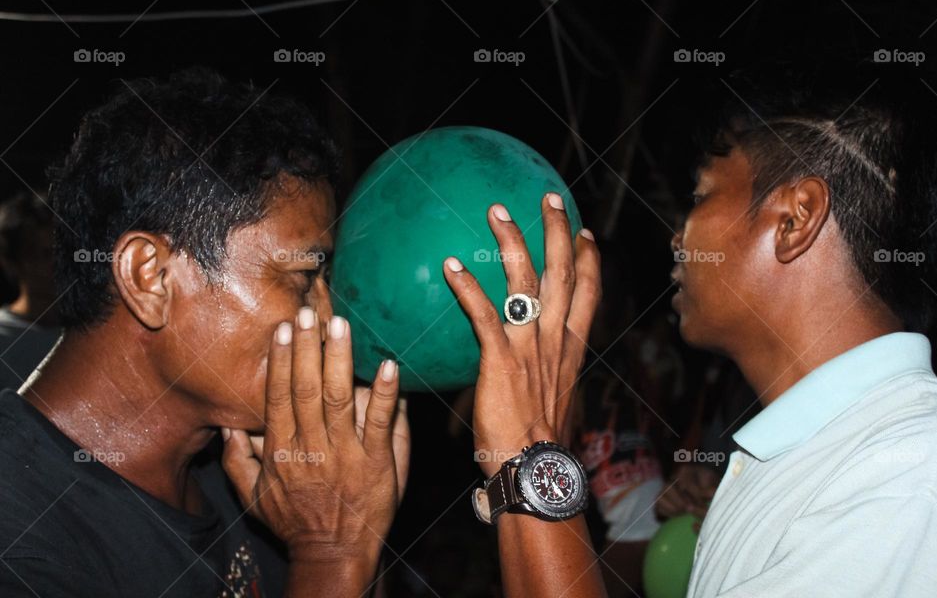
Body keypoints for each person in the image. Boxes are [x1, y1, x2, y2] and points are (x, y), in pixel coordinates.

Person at [0, 67, 606, 598]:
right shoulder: (23, 539)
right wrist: (331, 551)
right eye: (303, 277)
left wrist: (352, 535)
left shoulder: (244, 469)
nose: (332, 315)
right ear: (151, 276)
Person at [671, 67, 937, 596]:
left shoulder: (915, 469)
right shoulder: (832, 456)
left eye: (700, 196)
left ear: (795, 219)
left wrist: (532, 459)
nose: (676, 238)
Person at [0, 191, 62, 390]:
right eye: (42, 253)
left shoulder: (89, 333)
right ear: (11, 261)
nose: (53, 264)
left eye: (59, 252)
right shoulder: (3, 337)